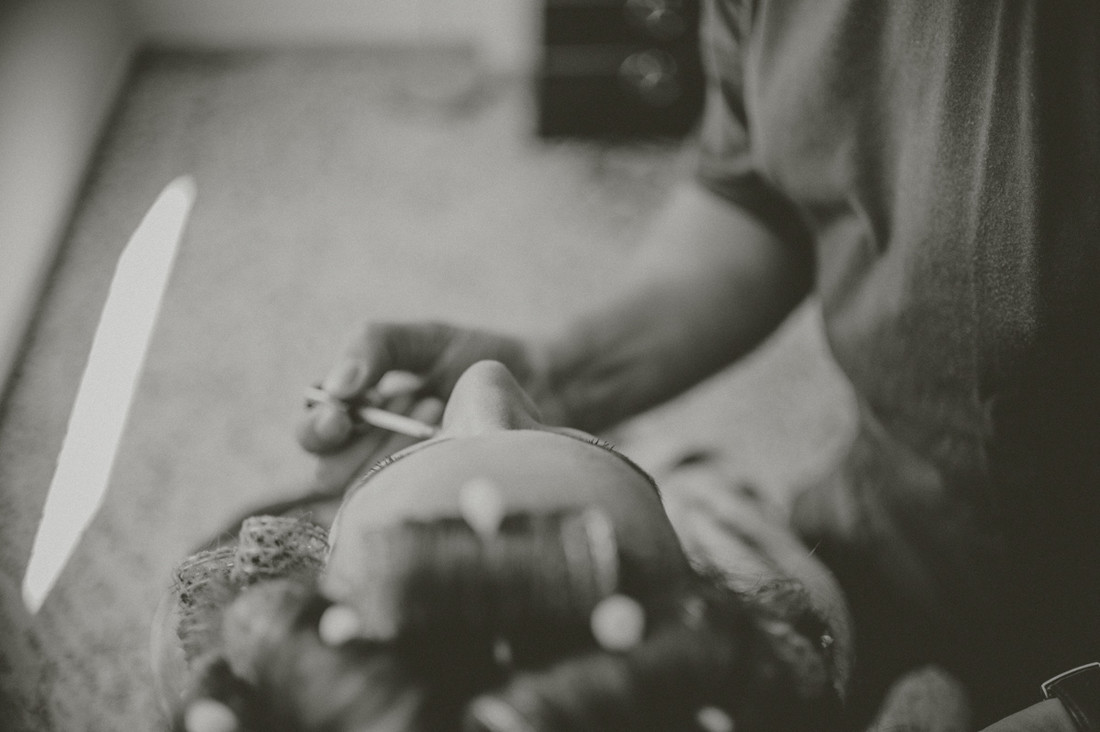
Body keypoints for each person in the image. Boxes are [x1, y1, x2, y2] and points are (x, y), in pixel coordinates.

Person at [296, 2, 1100, 730]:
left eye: (425, 444)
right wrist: (563, 369)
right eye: (550, 431)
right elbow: (761, 182)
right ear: (722, 597)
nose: (483, 388)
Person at [154, 361, 865, 731]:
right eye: (583, 437)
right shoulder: (789, 589)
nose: (484, 378)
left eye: (412, 451)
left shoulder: (223, 669)